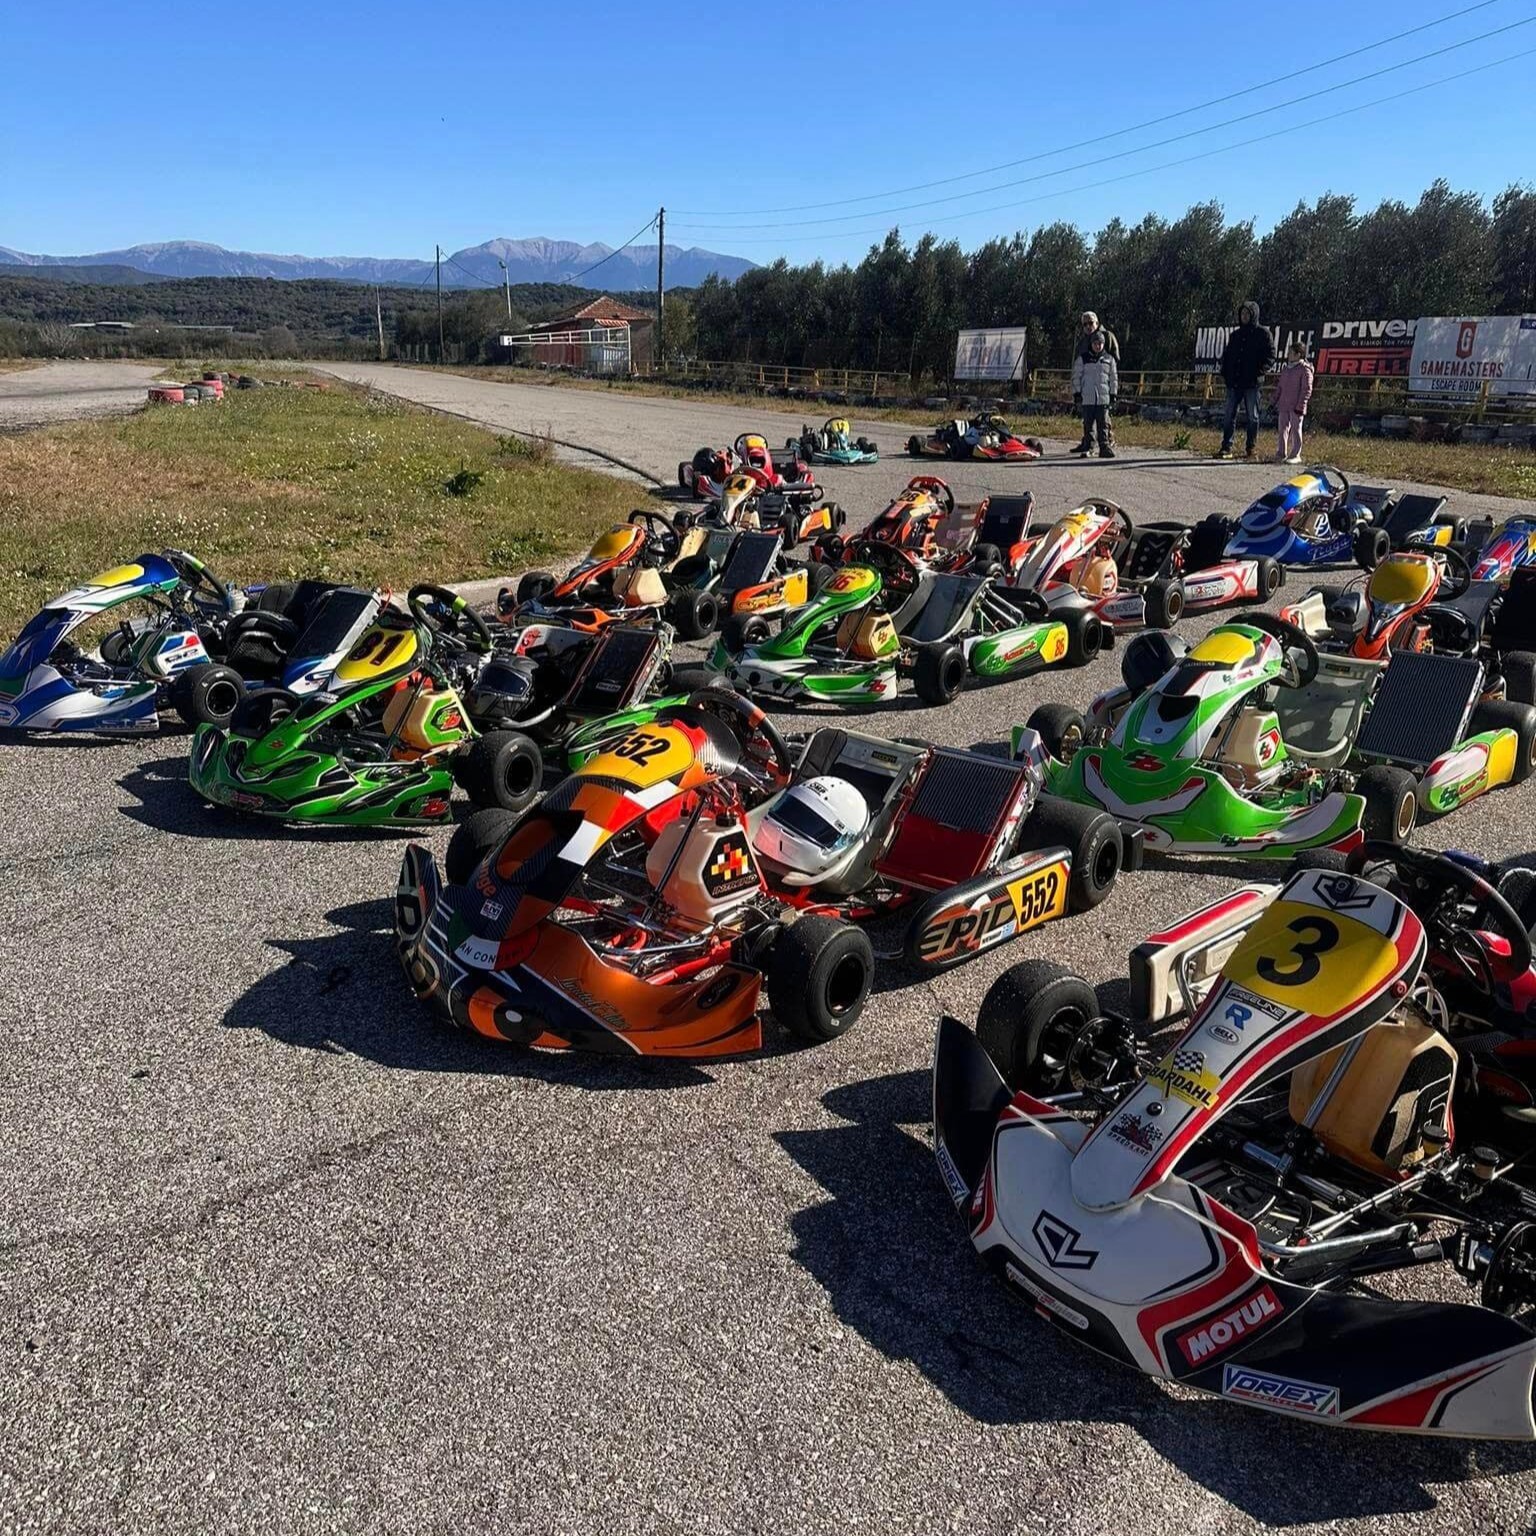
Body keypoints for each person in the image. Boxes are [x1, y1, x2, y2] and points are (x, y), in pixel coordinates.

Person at [1213, 300, 1275, 460]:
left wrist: (1258, 372)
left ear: (1254, 314)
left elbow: (1270, 356)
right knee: (1229, 414)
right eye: (1242, 313)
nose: (1244, 316)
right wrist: (1225, 374)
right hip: (1234, 382)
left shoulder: (1263, 334)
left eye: (1248, 313)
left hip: (1252, 383)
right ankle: (1226, 447)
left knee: (1253, 416)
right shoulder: (1235, 335)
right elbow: (1227, 356)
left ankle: (1251, 448)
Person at [1070, 330, 1118, 458]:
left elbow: (1113, 378)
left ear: (1103, 344)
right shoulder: (1083, 359)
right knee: (1088, 424)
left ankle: (1104, 447)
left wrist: (1113, 394)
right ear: (1091, 344)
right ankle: (1089, 447)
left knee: (1103, 425)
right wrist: (1077, 393)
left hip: (1103, 399)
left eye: (1100, 344)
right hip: (1088, 398)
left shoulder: (1109, 359)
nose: (1098, 346)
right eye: (1095, 343)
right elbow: (1076, 376)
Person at [1274, 342, 1314, 464]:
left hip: (1296, 406)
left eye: (1291, 353)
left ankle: (1296, 454)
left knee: (1296, 430)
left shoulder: (1305, 369)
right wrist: (1274, 401)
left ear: (1298, 354)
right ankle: (1281, 453)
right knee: (1282, 429)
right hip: (1284, 405)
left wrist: (1301, 405)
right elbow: (1280, 387)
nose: (1288, 355)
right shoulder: (1286, 369)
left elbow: (1307, 389)